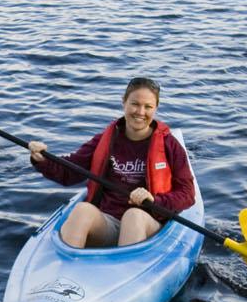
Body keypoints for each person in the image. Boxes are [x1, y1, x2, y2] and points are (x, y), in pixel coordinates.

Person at [27, 77, 196, 248]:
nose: (140, 112)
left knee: (133, 216)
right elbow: (70, 172)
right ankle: (66, 268)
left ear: (156, 108)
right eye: (135, 104)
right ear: (124, 102)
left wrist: (155, 200)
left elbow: (187, 194)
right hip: (108, 223)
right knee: (82, 210)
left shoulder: (169, 145)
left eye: (148, 107)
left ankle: (126, 269)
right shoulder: (105, 140)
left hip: (148, 224)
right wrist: (42, 160)